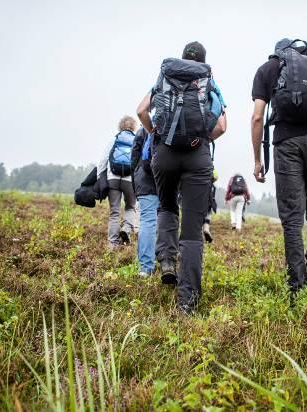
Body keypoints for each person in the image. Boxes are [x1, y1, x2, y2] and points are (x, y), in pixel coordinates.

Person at [136, 41, 227, 314]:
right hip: (197, 157)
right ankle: (187, 302)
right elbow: (222, 126)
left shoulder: (166, 76)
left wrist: (156, 133)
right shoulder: (209, 81)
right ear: (203, 60)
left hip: (164, 153)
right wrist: (199, 139)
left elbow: (141, 110)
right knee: (192, 232)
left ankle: (165, 261)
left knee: (166, 206)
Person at [250, 38, 307, 292]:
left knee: (292, 218)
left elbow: (257, 117)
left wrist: (257, 159)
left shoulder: (268, 68)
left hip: (287, 143)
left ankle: (297, 285)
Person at [98, 115, 138, 249]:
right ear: (134, 127)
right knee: (130, 207)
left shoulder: (114, 140)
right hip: (129, 180)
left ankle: (112, 245)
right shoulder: (137, 140)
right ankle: (126, 229)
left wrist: (101, 179)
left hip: (113, 179)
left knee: (114, 212)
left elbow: (102, 161)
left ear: (120, 127)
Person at [131, 128, 158, 277]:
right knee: (164, 222)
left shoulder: (143, 130)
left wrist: (135, 182)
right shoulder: (174, 125)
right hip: (165, 181)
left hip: (144, 179)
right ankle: (162, 260)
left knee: (147, 221)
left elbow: (134, 157)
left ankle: (146, 267)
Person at [203, 169, 219, 242]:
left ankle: (197, 234)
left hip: (197, 198)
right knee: (208, 214)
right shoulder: (210, 167)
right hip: (208, 200)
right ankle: (206, 229)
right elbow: (216, 176)